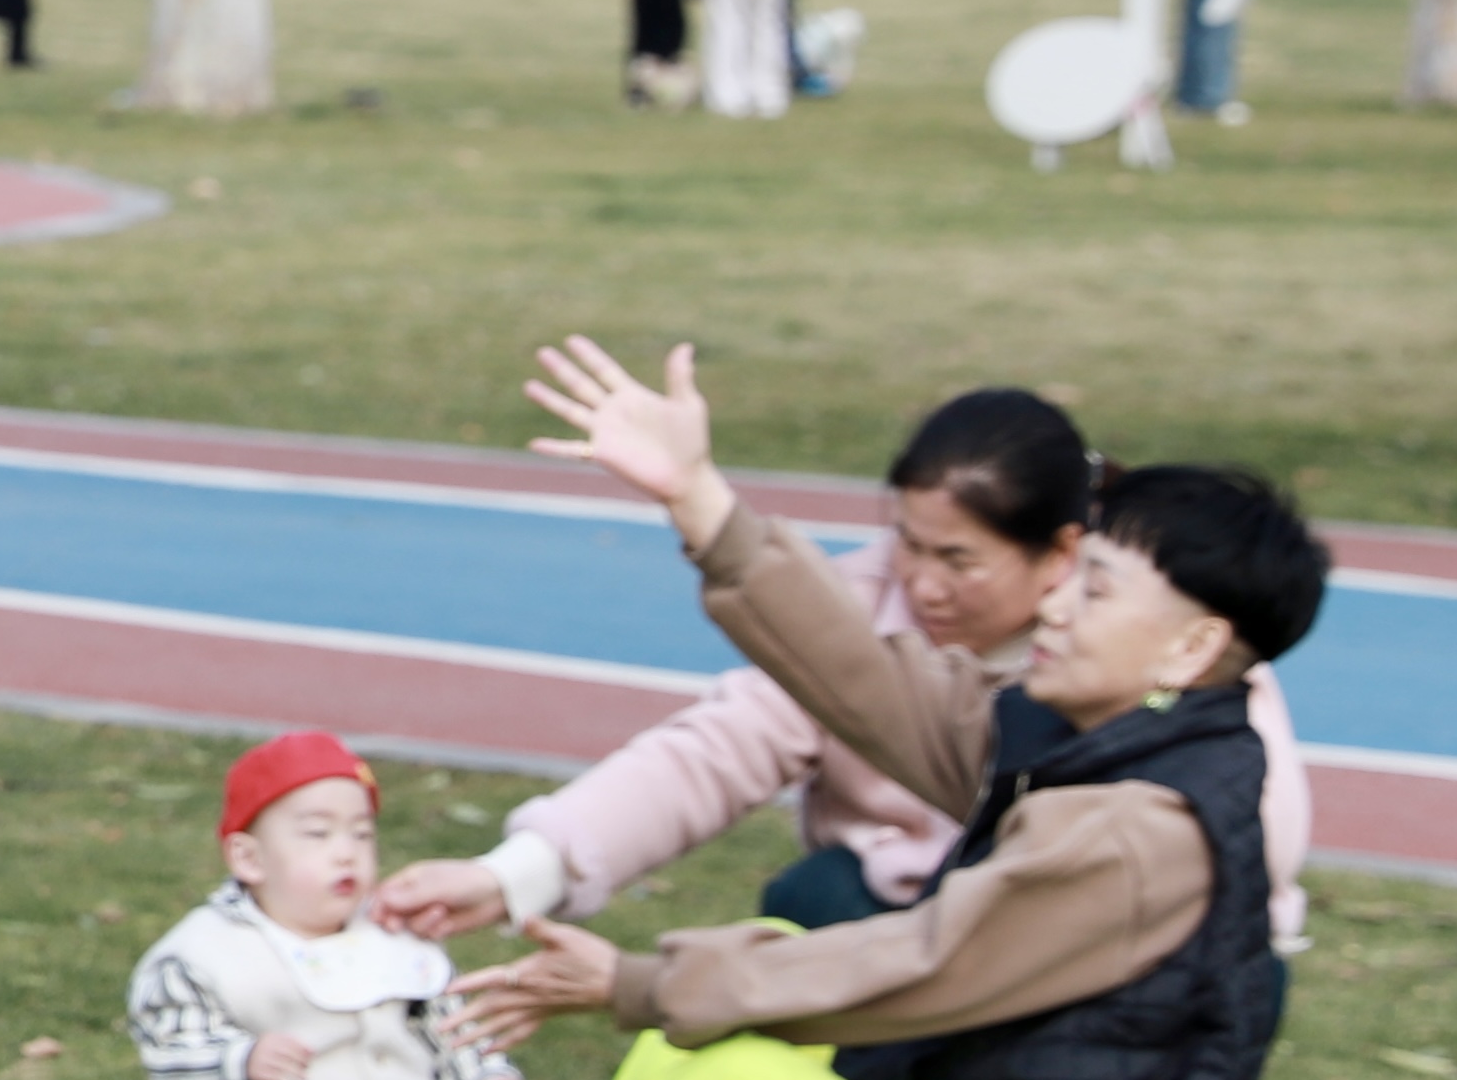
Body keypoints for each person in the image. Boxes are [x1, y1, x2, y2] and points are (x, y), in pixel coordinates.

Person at [238, 337, 1329, 1080]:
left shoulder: (1142, 826)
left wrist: (630, 983)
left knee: (747, 1077)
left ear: (1189, 648)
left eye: (1092, 591)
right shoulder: (1094, 739)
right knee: (741, 988)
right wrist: (698, 499)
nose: (1054, 602)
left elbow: (923, 963)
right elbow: (863, 677)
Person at [373, 387, 1311, 951]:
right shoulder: (896, 642)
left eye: (960, 560)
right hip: (913, 915)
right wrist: (522, 872)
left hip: (1103, 943)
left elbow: (1248, 849)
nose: (922, 582)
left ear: (1063, 553)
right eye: (910, 543)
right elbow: (727, 740)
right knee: (811, 911)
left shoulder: (1180, 691)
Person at [125, 730, 544, 1080]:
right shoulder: (199, 954)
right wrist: (240, 1060)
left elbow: (449, 1031)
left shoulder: (396, 934)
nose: (346, 854)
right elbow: (171, 1054)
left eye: (362, 836)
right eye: (318, 835)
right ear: (248, 858)